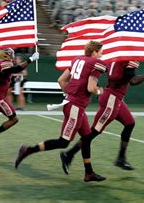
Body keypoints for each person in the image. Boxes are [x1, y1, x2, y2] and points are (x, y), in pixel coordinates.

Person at [14, 41, 107, 182]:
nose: (102, 54)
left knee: (87, 137)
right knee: (63, 142)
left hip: (75, 105)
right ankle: (27, 150)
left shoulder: (77, 60)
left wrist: (69, 95)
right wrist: (101, 91)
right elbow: (91, 88)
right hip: (75, 107)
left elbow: (61, 80)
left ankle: (89, 173)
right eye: (101, 51)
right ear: (94, 52)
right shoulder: (95, 64)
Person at [60, 60, 144, 172]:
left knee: (130, 123)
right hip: (111, 100)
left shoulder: (115, 59)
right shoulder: (126, 60)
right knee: (93, 132)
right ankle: (69, 154)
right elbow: (133, 81)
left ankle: (121, 158)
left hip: (115, 98)